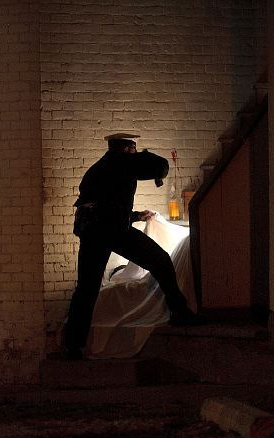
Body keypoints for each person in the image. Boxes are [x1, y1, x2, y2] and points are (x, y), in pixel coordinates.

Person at [64, 133, 202, 360]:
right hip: (113, 231)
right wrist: (143, 156)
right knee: (160, 260)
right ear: (127, 149)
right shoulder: (121, 163)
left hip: (95, 232)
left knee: (86, 290)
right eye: (134, 149)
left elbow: (107, 205)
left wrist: (137, 215)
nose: (135, 152)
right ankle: (179, 311)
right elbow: (159, 167)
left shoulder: (99, 168)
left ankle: (73, 345)